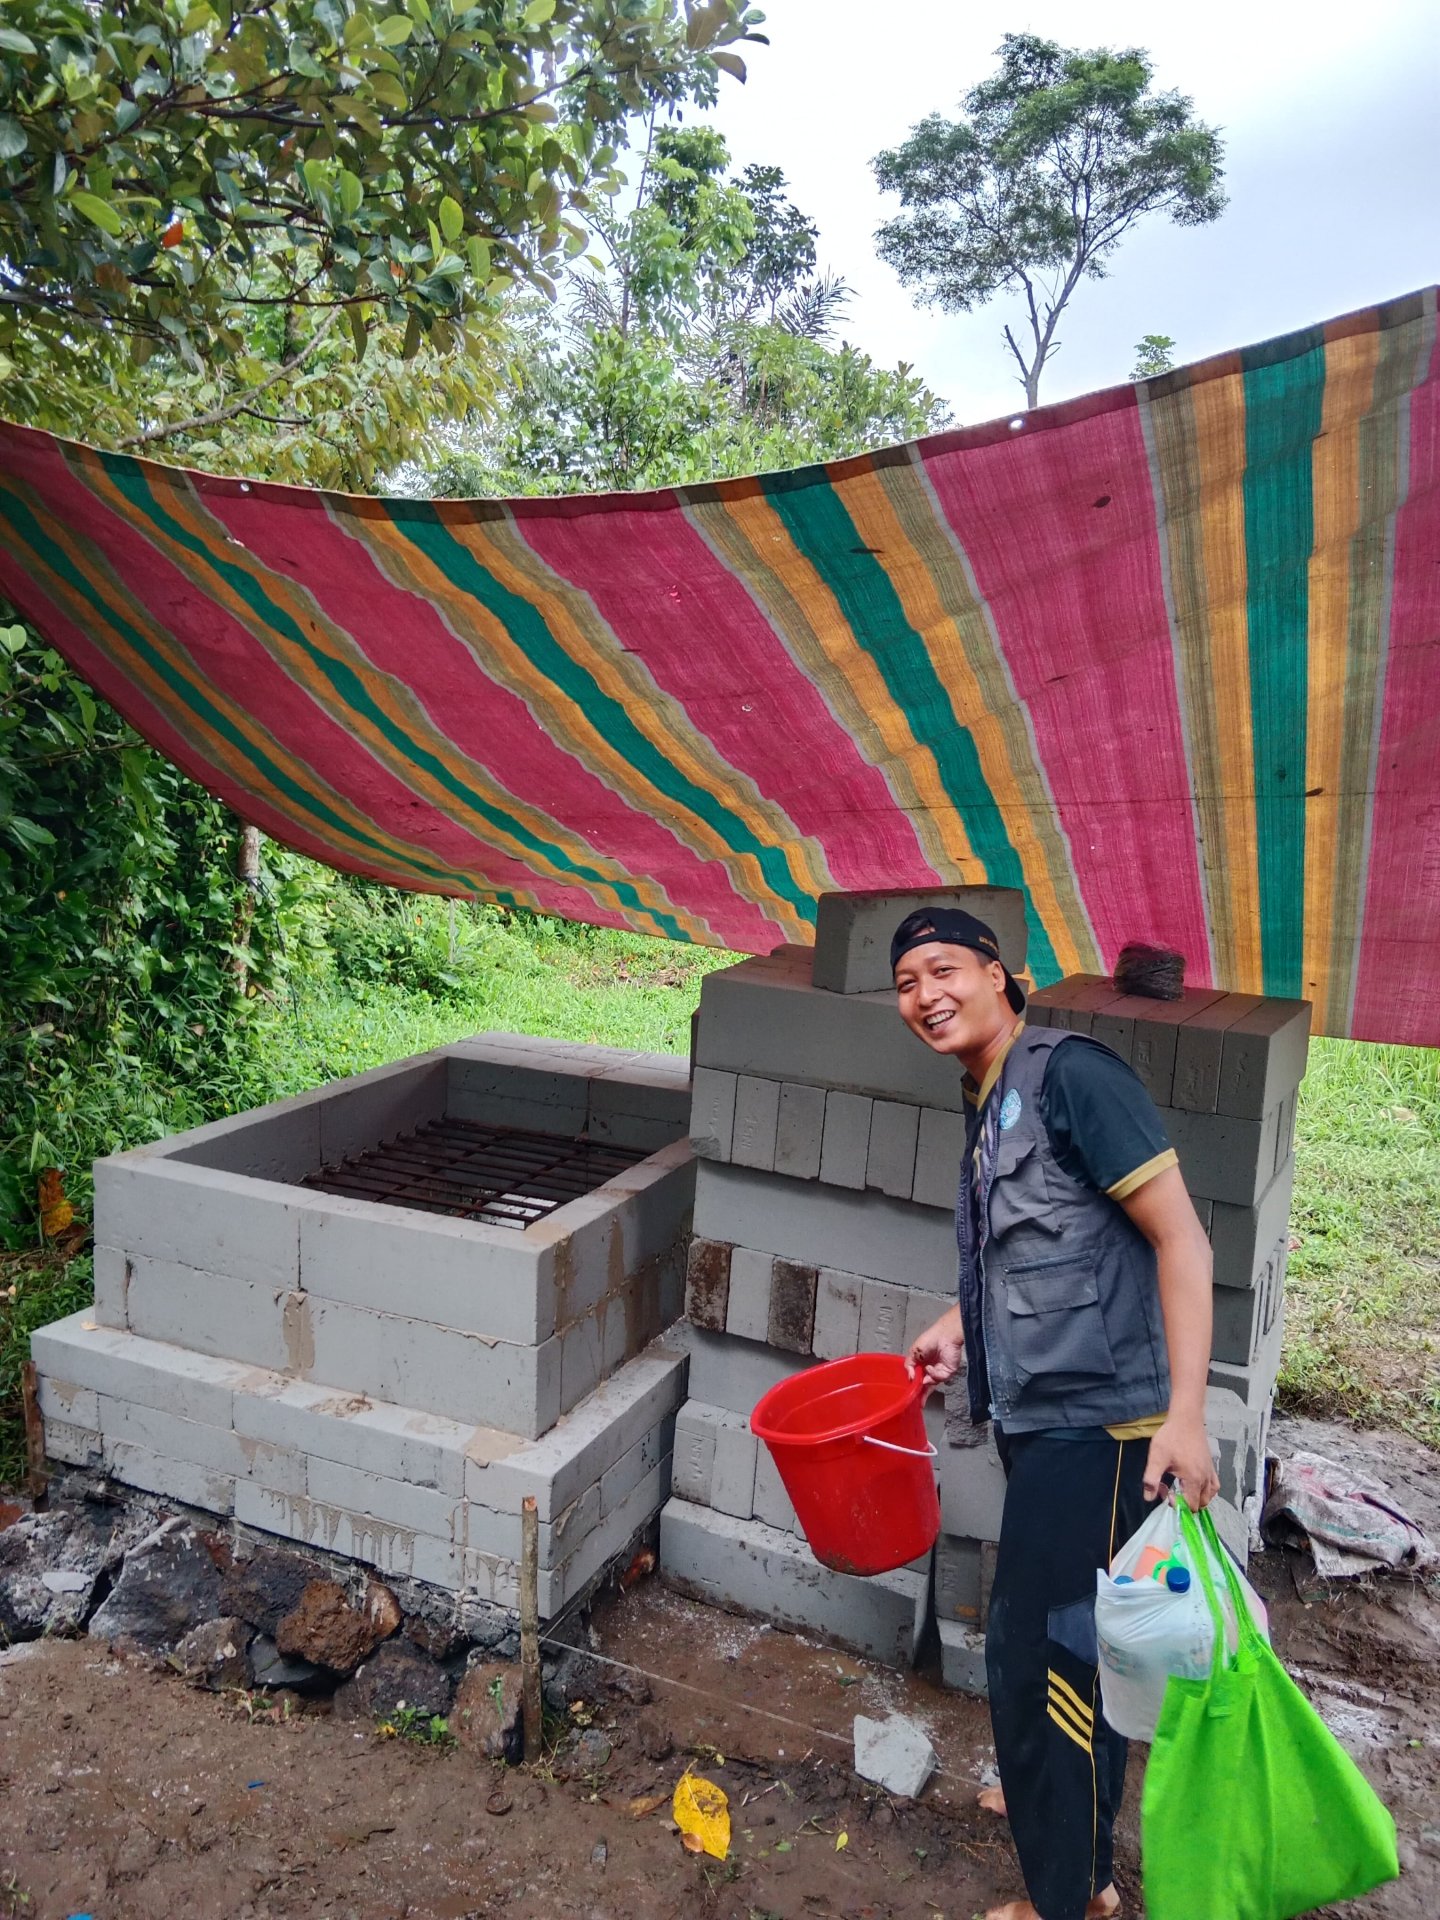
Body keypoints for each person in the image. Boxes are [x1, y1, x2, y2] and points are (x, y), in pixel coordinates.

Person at [894, 907, 1218, 1920]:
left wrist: (1187, 1415)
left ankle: (1069, 1895)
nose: (925, 995)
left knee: (1040, 1657)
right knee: (1079, 1646)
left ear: (1000, 974)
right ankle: (1060, 1819)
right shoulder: (991, 1098)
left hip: (1106, 1431)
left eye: (944, 969)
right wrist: (962, 1323)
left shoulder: (1072, 1075)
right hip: (1045, 1425)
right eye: (906, 983)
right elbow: (1046, 1243)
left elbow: (1184, 1243)